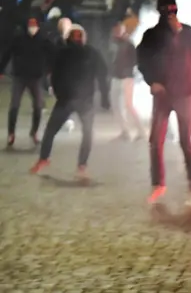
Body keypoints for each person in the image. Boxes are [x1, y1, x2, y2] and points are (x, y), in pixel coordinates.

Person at [136, 0, 191, 207]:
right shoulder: (151, 35)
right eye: (166, 9)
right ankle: (158, 183)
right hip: (162, 93)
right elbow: (142, 60)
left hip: (185, 92)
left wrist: (183, 34)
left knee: (186, 141)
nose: (170, 13)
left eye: (172, 8)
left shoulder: (186, 31)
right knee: (155, 140)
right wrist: (152, 82)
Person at [30, 25, 110, 182]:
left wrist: (105, 97)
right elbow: (54, 73)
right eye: (75, 35)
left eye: (79, 35)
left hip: (82, 100)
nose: (77, 38)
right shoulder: (64, 53)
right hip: (67, 99)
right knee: (51, 131)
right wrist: (57, 90)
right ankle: (45, 159)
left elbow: (102, 74)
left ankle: (81, 166)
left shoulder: (89, 53)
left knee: (86, 134)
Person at [1, 16, 52, 148]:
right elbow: (7, 53)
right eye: (30, 24)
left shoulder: (43, 39)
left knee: (38, 106)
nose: (32, 27)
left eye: (34, 24)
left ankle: (34, 132)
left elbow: (52, 54)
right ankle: (11, 133)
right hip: (20, 76)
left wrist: (50, 68)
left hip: (35, 77)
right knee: (14, 106)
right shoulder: (18, 39)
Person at [109, 18, 145, 141]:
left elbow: (135, 60)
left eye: (119, 30)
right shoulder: (115, 43)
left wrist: (129, 71)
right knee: (116, 105)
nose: (116, 32)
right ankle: (125, 131)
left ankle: (140, 131)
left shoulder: (128, 44)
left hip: (126, 78)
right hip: (117, 76)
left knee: (128, 105)